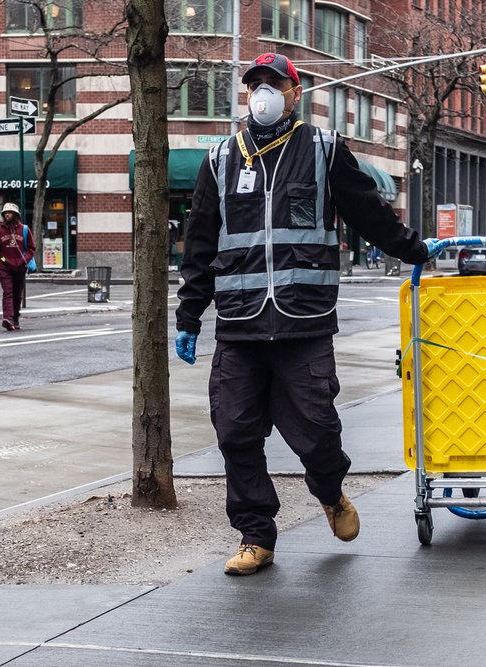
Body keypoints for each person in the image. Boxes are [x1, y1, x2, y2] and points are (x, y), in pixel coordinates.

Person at [174, 53, 444, 576]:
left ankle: (329, 492)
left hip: (304, 322)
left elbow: (368, 212)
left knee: (317, 430)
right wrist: (189, 315)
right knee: (234, 431)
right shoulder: (222, 158)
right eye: (255, 84)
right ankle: (256, 535)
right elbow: (200, 243)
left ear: (295, 93)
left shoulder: (323, 150)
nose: (263, 92)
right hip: (240, 325)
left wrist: (414, 249)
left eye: (274, 83)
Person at [0, 202, 35, 331]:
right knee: (8, 292)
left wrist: (25, 260)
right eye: (5, 212)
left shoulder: (24, 229)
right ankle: (8, 318)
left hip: (20, 267)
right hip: (5, 266)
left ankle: (15, 318)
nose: (7, 214)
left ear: (16, 215)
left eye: (10, 212)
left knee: (17, 294)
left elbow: (31, 248)